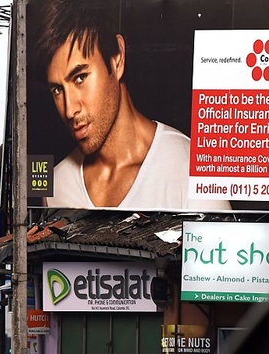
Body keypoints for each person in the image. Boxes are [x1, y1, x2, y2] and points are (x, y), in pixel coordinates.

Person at [31, 0, 231, 211]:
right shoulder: (58, 185)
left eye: (80, 77)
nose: (70, 109)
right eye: (57, 90)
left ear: (117, 59)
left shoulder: (189, 171)